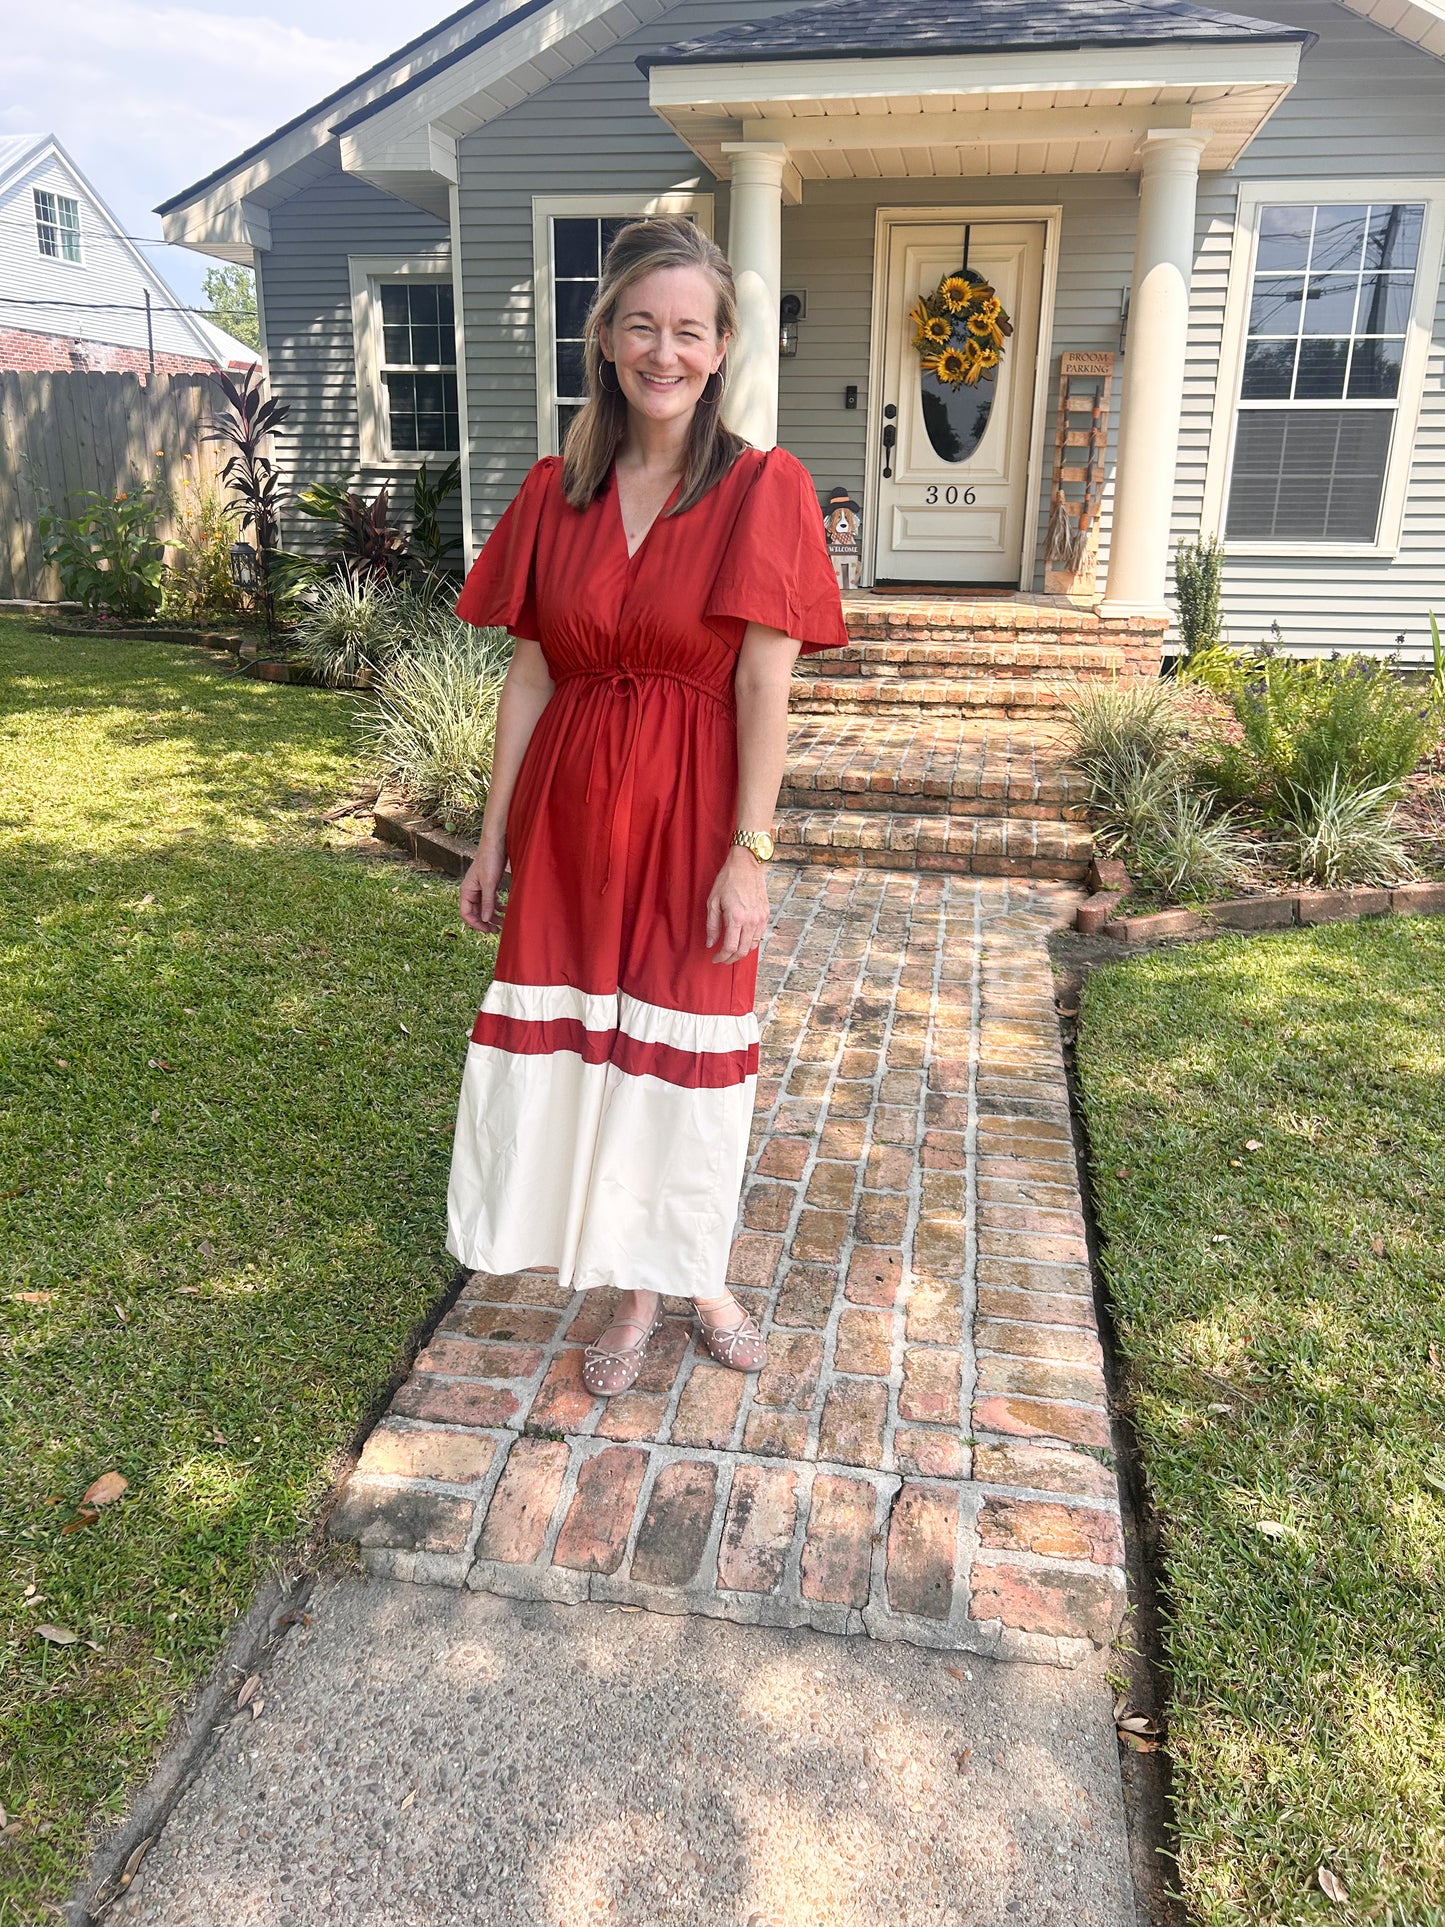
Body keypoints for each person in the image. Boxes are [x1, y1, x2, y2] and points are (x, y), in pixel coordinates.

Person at [447, 216, 847, 1397]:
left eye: (688, 329)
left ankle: (699, 1271)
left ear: (720, 347)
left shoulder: (762, 487)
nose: (662, 351)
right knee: (597, 1049)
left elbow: (764, 680)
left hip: (689, 817)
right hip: (571, 820)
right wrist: (490, 836)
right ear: (606, 340)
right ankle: (634, 1291)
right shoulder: (552, 492)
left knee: (686, 1051)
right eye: (640, 325)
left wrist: (750, 851)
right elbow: (529, 675)